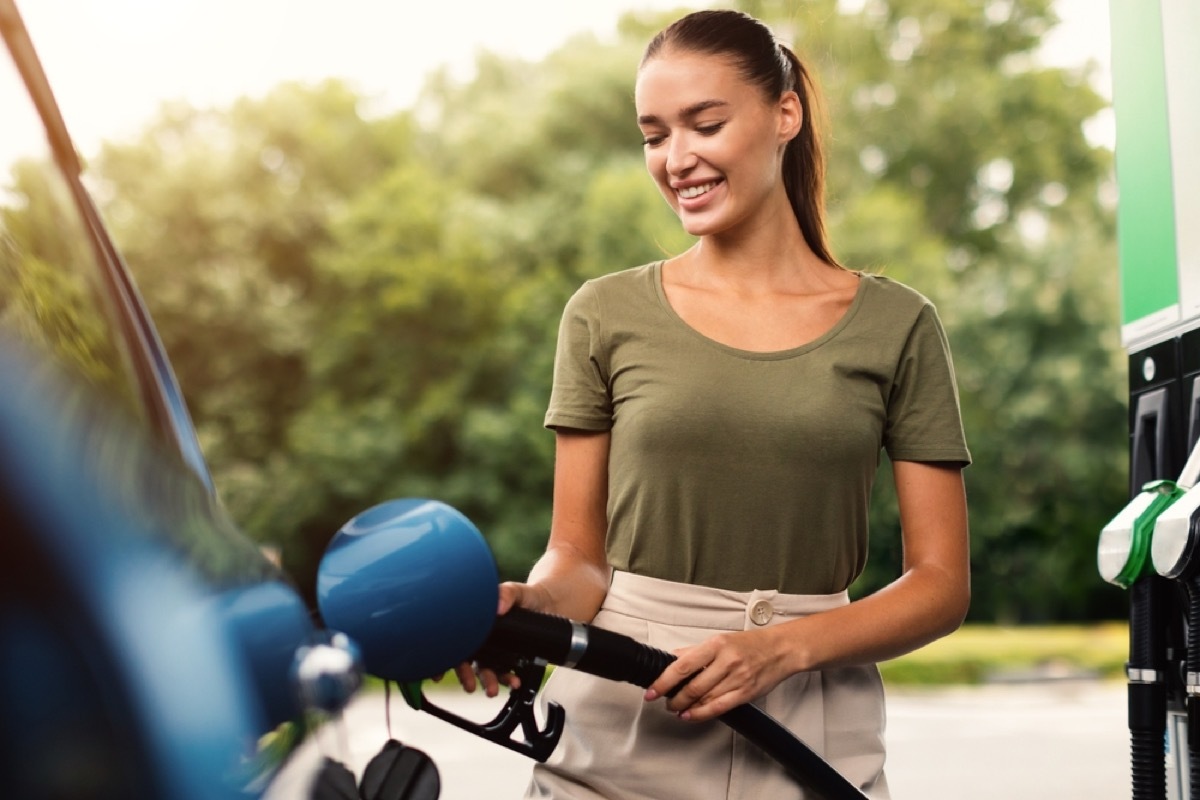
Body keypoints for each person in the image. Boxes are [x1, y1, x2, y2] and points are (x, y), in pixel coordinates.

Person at [459, 8, 971, 799]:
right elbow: (580, 558)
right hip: (626, 718)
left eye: (704, 123)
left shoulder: (898, 326)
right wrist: (530, 608)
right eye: (654, 135)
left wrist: (784, 647)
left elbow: (939, 583)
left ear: (784, 114)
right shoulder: (604, 314)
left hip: (812, 725)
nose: (676, 158)